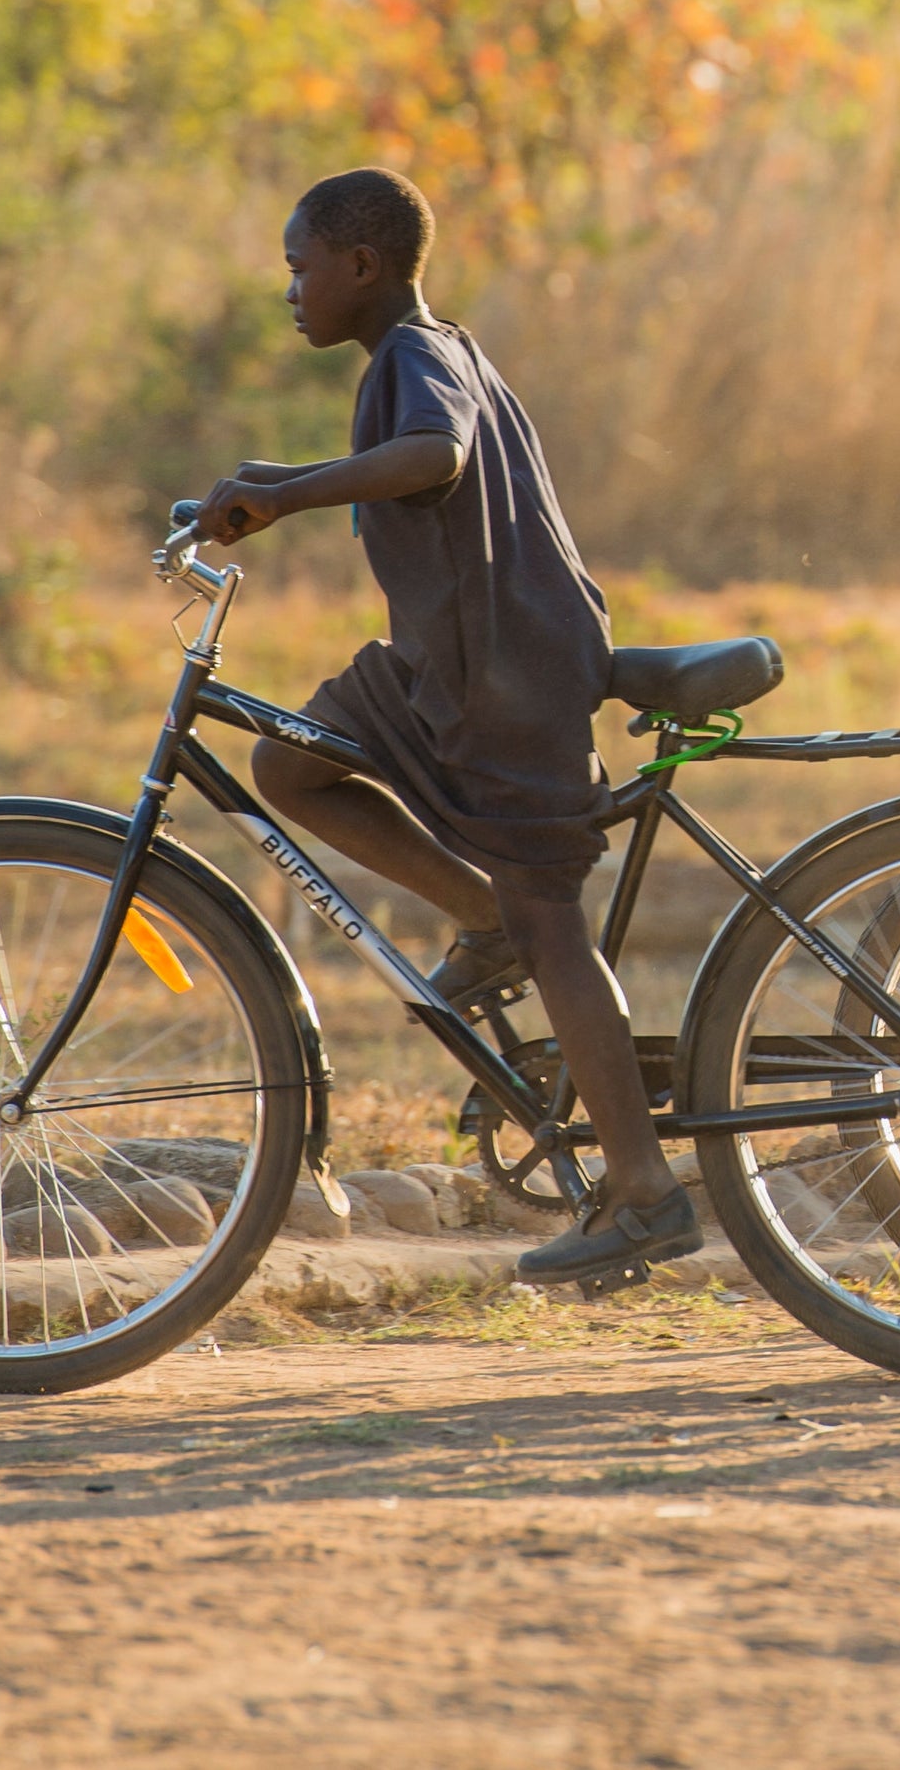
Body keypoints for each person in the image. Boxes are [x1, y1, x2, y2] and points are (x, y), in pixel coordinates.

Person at [192, 168, 697, 1290]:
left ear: (361, 267)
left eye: (298, 268)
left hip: (504, 674)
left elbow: (436, 460)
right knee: (286, 760)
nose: (290, 291)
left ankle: (646, 1190)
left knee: (553, 920)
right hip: (449, 664)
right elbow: (406, 470)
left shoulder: (418, 364)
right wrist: (266, 487)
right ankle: (481, 918)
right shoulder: (430, 349)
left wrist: (291, 498)